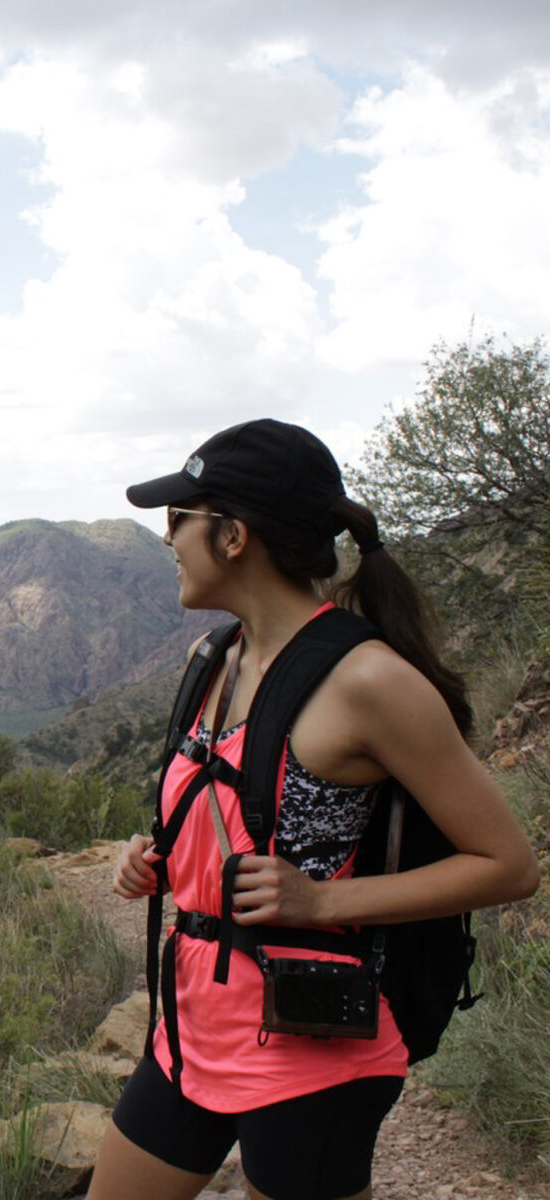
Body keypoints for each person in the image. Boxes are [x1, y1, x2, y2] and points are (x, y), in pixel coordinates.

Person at [87, 419, 539, 1200]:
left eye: (179, 520)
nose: (169, 540)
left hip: (310, 1047)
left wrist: (324, 899)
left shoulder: (368, 681)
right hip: (192, 1025)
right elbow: (236, 811)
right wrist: (159, 858)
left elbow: (509, 865)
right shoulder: (215, 660)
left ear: (232, 536)